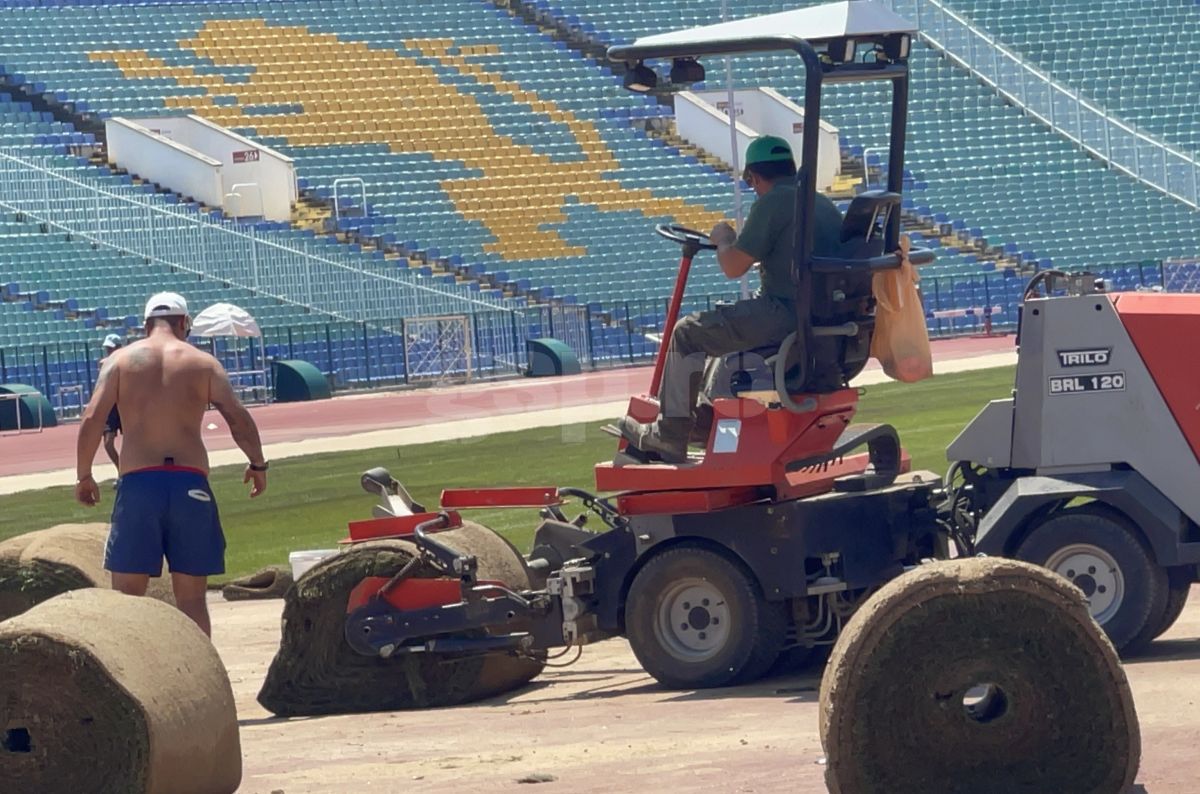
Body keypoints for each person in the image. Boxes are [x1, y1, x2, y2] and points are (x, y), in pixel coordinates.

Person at [619, 135, 845, 463]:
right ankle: (703, 423)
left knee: (688, 333)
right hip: (818, 316)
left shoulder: (774, 202)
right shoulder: (819, 203)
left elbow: (733, 266)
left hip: (785, 314)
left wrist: (724, 239)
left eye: (750, 182)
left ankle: (670, 435)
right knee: (720, 335)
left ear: (753, 177)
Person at [74, 291, 269, 637]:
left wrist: (84, 475)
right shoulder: (204, 363)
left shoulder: (120, 362)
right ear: (184, 323)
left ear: (146, 325)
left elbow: (92, 418)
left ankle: (133, 667)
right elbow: (237, 417)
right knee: (192, 599)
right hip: (189, 482)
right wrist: (257, 464)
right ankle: (199, 668)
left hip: (139, 482)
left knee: (127, 598)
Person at [99, 333, 124, 479]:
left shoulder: (126, 361)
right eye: (107, 348)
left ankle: (129, 472)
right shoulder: (105, 363)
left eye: (111, 348)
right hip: (111, 407)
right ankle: (121, 470)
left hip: (124, 405)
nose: (109, 351)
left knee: (131, 443)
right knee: (108, 443)